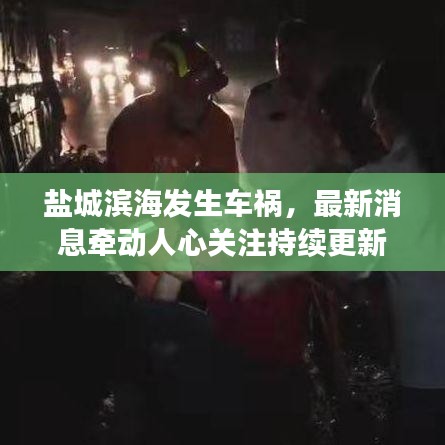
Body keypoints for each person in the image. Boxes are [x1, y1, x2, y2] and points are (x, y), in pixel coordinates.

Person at [107, 30, 238, 299]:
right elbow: (130, 219)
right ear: (164, 90)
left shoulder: (218, 123)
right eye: (190, 97)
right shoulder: (133, 127)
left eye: (206, 96)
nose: (201, 106)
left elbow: (226, 198)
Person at [238, 19, 348, 179]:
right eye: (281, 55)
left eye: (296, 56)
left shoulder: (329, 98)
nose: (286, 63)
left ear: (310, 57)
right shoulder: (262, 100)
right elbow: (250, 154)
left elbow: (344, 155)